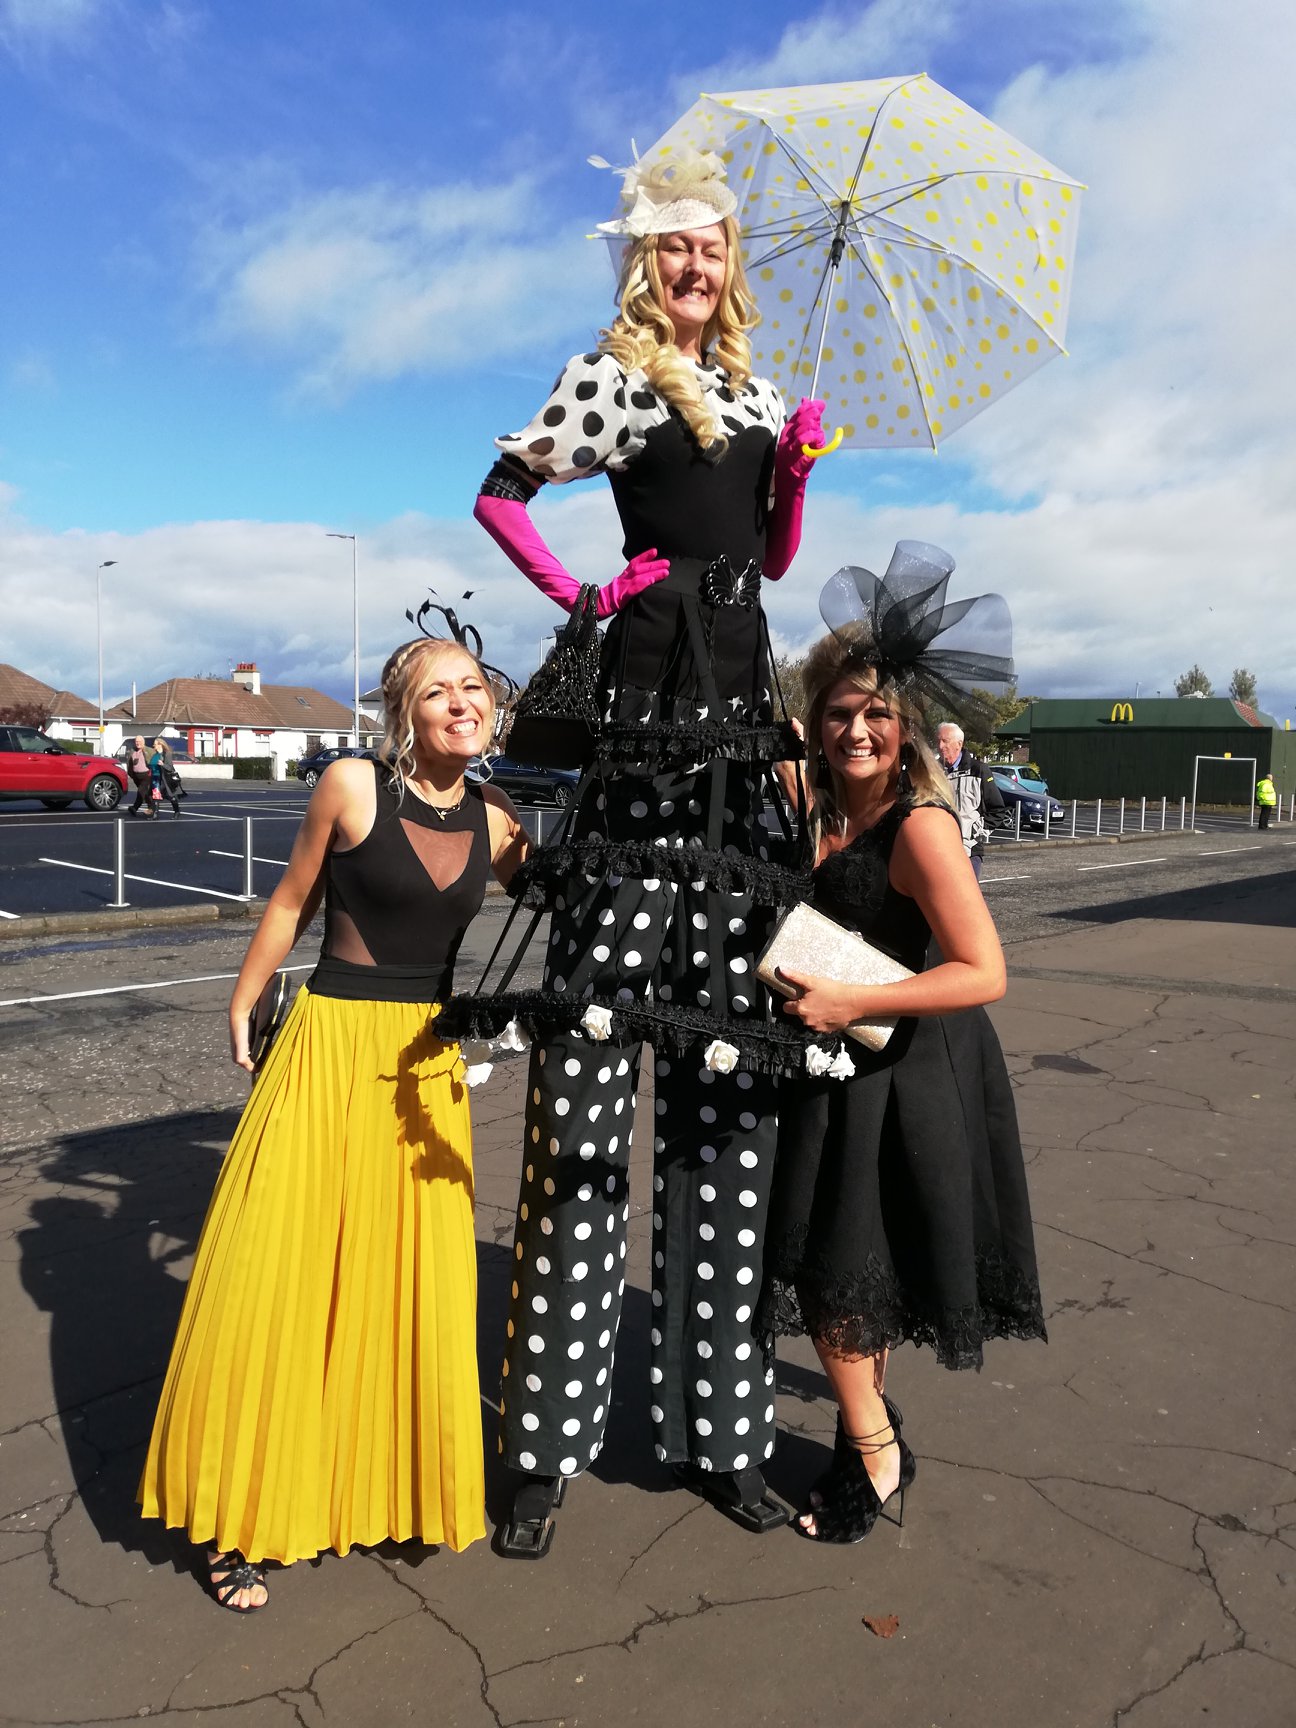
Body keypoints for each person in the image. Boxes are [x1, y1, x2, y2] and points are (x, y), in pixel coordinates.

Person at [443, 148, 826, 1556]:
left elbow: (775, 563)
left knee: (727, 1102)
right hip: (641, 751)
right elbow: (498, 493)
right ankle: (542, 1446)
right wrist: (588, 592)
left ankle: (722, 1439)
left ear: (731, 261)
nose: (693, 266)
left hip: (740, 764)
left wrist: (793, 472)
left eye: (711, 247)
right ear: (642, 264)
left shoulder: (758, 394)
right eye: (672, 249)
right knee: (589, 1092)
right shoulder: (609, 376)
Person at [138, 634, 528, 1610]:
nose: (458, 703)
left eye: (471, 688)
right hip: (328, 1049)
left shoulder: (500, 819)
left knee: (408, 1281)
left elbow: (577, 907)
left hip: (423, 1068)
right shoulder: (353, 785)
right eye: (436, 691)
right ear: (406, 710)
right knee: (283, 1275)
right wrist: (245, 995)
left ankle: (377, 1489)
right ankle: (241, 1523)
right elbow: (291, 899)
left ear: (492, 706)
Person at [759, 548, 1046, 1544]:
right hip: (836, 1064)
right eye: (839, 712)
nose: (857, 729)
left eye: (876, 713)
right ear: (815, 720)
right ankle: (864, 1432)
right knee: (853, 1271)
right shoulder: (820, 810)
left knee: (838, 1271)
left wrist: (845, 996)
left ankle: (874, 1452)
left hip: (906, 1069)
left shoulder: (921, 828)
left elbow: (985, 971)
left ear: (907, 723)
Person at [935, 721, 1004, 878]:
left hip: (968, 851)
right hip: (939, 852)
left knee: (965, 900)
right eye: (938, 740)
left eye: (945, 741)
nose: (940, 746)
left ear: (959, 744)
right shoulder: (933, 772)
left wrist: (974, 831)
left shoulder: (978, 770)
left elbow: (998, 810)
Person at [149, 738, 182, 816]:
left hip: (164, 779)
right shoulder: (155, 755)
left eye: (155, 744)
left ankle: (177, 811)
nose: (153, 745)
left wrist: (162, 764)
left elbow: (170, 767)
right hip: (155, 778)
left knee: (168, 795)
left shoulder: (166, 754)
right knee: (156, 796)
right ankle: (155, 814)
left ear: (160, 744)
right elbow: (152, 765)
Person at [126, 735, 156, 818]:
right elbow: (130, 763)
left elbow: (156, 759)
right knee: (144, 793)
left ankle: (151, 809)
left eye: (139, 741)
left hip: (147, 775)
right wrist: (131, 774)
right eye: (136, 741)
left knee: (141, 791)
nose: (137, 743)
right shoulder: (133, 751)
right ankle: (134, 808)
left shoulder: (149, 750)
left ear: (143, 742)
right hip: (136, 776)